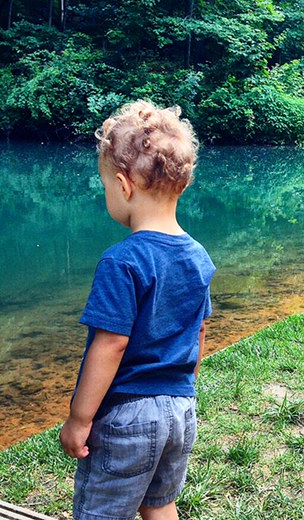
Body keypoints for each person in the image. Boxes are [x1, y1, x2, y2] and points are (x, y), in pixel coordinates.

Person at [59, 100, 216, 520]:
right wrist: (179, 387)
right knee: (160, 503)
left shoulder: (122, 259)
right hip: (181, 410)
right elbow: (199, 332)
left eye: (107, 186)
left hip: (128, 416)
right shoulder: (198, 256)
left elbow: (111, 344)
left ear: (124, 186)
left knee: (102, 513)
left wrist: (79, 418)